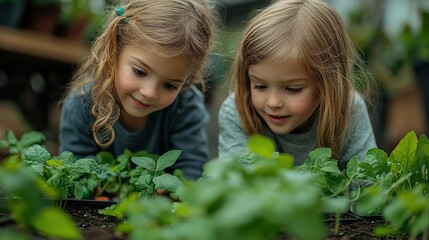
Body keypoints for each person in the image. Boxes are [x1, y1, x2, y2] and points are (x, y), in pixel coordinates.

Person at [59, 0, 215, 179]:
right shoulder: (83, 101)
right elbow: (76, 173)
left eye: (170, 85)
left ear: (188, 80)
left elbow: (192, 171)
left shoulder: (185, 105)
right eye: (140, 72)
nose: (149, 92)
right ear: (113, 53)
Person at [218, 0, 377, 169]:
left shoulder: (349, 111)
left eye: (292, 89)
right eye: (260, 86)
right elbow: (236, 185)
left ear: (328, 84)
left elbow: (367, 184)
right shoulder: (236, 113)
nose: (273, 102)